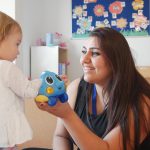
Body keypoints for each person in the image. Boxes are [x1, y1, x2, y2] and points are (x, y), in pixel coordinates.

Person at [36, 27, 150, 150]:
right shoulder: (75, 88)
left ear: (116, 60)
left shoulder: (141, 103)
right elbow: (61, 136)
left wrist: (67, 114)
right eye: (84, 51)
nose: (84, 60)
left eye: (95, 53)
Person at [0, 11, 42, 150]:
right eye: (17, 44)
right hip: (5, 135)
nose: (18, 51)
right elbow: (28, 90)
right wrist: (42, 80)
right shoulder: (7, 67)